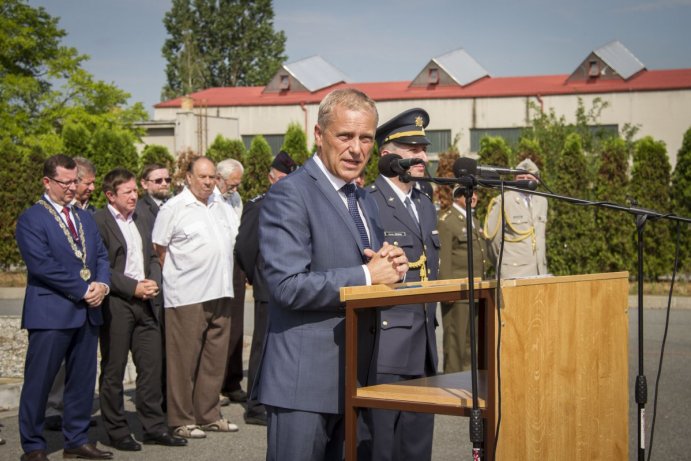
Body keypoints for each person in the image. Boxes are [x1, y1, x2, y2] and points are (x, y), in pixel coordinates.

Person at [255, 88, 409, 461]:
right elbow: (287, 286)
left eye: (366, 138)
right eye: (345, 136)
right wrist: (368, 275)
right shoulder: (290, 194)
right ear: (319, 135)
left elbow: (367, 266)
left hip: (356, 380)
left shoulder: (364, 200)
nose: (357, 149)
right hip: (303, 385)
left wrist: (392, 267)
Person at [15, 154, 112, 461]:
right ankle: (33, 446)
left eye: (75, 181)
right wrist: (84, 289)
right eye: (66, 182)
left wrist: (103, 285)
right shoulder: (32, 219)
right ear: (47, 182)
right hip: (51, 313)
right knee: (39, 382)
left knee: (82, 381)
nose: (73, 187)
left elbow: (101, 256)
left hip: (87, 312)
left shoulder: (83, 216)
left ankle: (76, 439)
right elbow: (42, 266)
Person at [363, 107, 440, 461]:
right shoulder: (368, 202)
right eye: (412, 149)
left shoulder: (425, 202)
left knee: (417, 446)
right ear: (388, 155)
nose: (422, 155)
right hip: (388, 345)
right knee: (383, 447)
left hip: (423, 343)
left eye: (423, 147)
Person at [94, 168, 187, 451]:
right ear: (111, 195)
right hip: (118, 303)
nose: (135, 196)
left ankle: (154, 427)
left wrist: (153, 282)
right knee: (115, 368)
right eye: (128, 192)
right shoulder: (98, 221)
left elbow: (153, 256)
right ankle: (117, 430)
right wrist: (131, 287)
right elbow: (101, 267)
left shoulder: (142, 218)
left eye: (136, 190)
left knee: (150, 366)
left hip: (146, 302)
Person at [152, 156, 240, 439]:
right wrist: (180, 277)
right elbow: (159, 249)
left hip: (221, 290)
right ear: (188, 177)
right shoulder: (174, 208)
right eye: (202, 176)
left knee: (215, 359)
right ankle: (181, 418)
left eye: (212, 177)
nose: (208, 182)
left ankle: (209, 414)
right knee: (183, 360)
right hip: (188, 294)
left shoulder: (220, 205)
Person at [235, 150, 296, 426]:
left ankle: (276, 397)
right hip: (267, 286)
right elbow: (245, 247)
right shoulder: (259, 206)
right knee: (262, 345)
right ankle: (255, 404)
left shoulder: (294, 204)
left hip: (292, 286)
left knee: (284, 344)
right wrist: (256, 276)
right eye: (282, 179)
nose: (286, 183)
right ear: (272, 179)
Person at [44, 156, 98, 432]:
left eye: (91, 184)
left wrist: (101, 284)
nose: (89, 188)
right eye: (85, 183)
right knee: (57, 362)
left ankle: (77, 413)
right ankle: (53, 407)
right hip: (61, 298)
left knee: (81, 362)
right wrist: (81, 288)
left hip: (91, 299)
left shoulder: (90, 213)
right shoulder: (49, 213)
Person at [438, 187, 490, 373]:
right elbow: (444, 260)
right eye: (469, 194)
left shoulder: (474, 221)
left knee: (471, 345)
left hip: (475, 291)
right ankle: (451, 389)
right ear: (457, 196)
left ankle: (467, 386)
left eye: (476, 193)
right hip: (457, 293)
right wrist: (447, 290)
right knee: (455, 344)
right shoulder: (447, 221)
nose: (474, 197)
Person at [216, 159, 248, 404]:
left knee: (236, 326)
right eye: (231, 184)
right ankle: (214, 383)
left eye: (238, 184)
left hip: (235, 266)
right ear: (219, 178)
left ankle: (232, 381)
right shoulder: (209, 200)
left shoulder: (234, 198)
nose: (235, 189)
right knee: (218, 328)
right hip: (216, 269)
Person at [483, 158, 548, 278]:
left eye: (529, 178)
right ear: (514, 180)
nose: (525, 181)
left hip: (540, 272)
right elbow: (492, 241)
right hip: (513, 274)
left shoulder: (542, 201)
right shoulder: (503, 200)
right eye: (521, 178)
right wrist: (502, 263)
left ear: (537, 180)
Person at [136, 163, 172, 231]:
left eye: (167, 180)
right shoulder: (137, 211)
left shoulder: (176, 205)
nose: (164, 184)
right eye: (158, 180)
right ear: (144, 184)